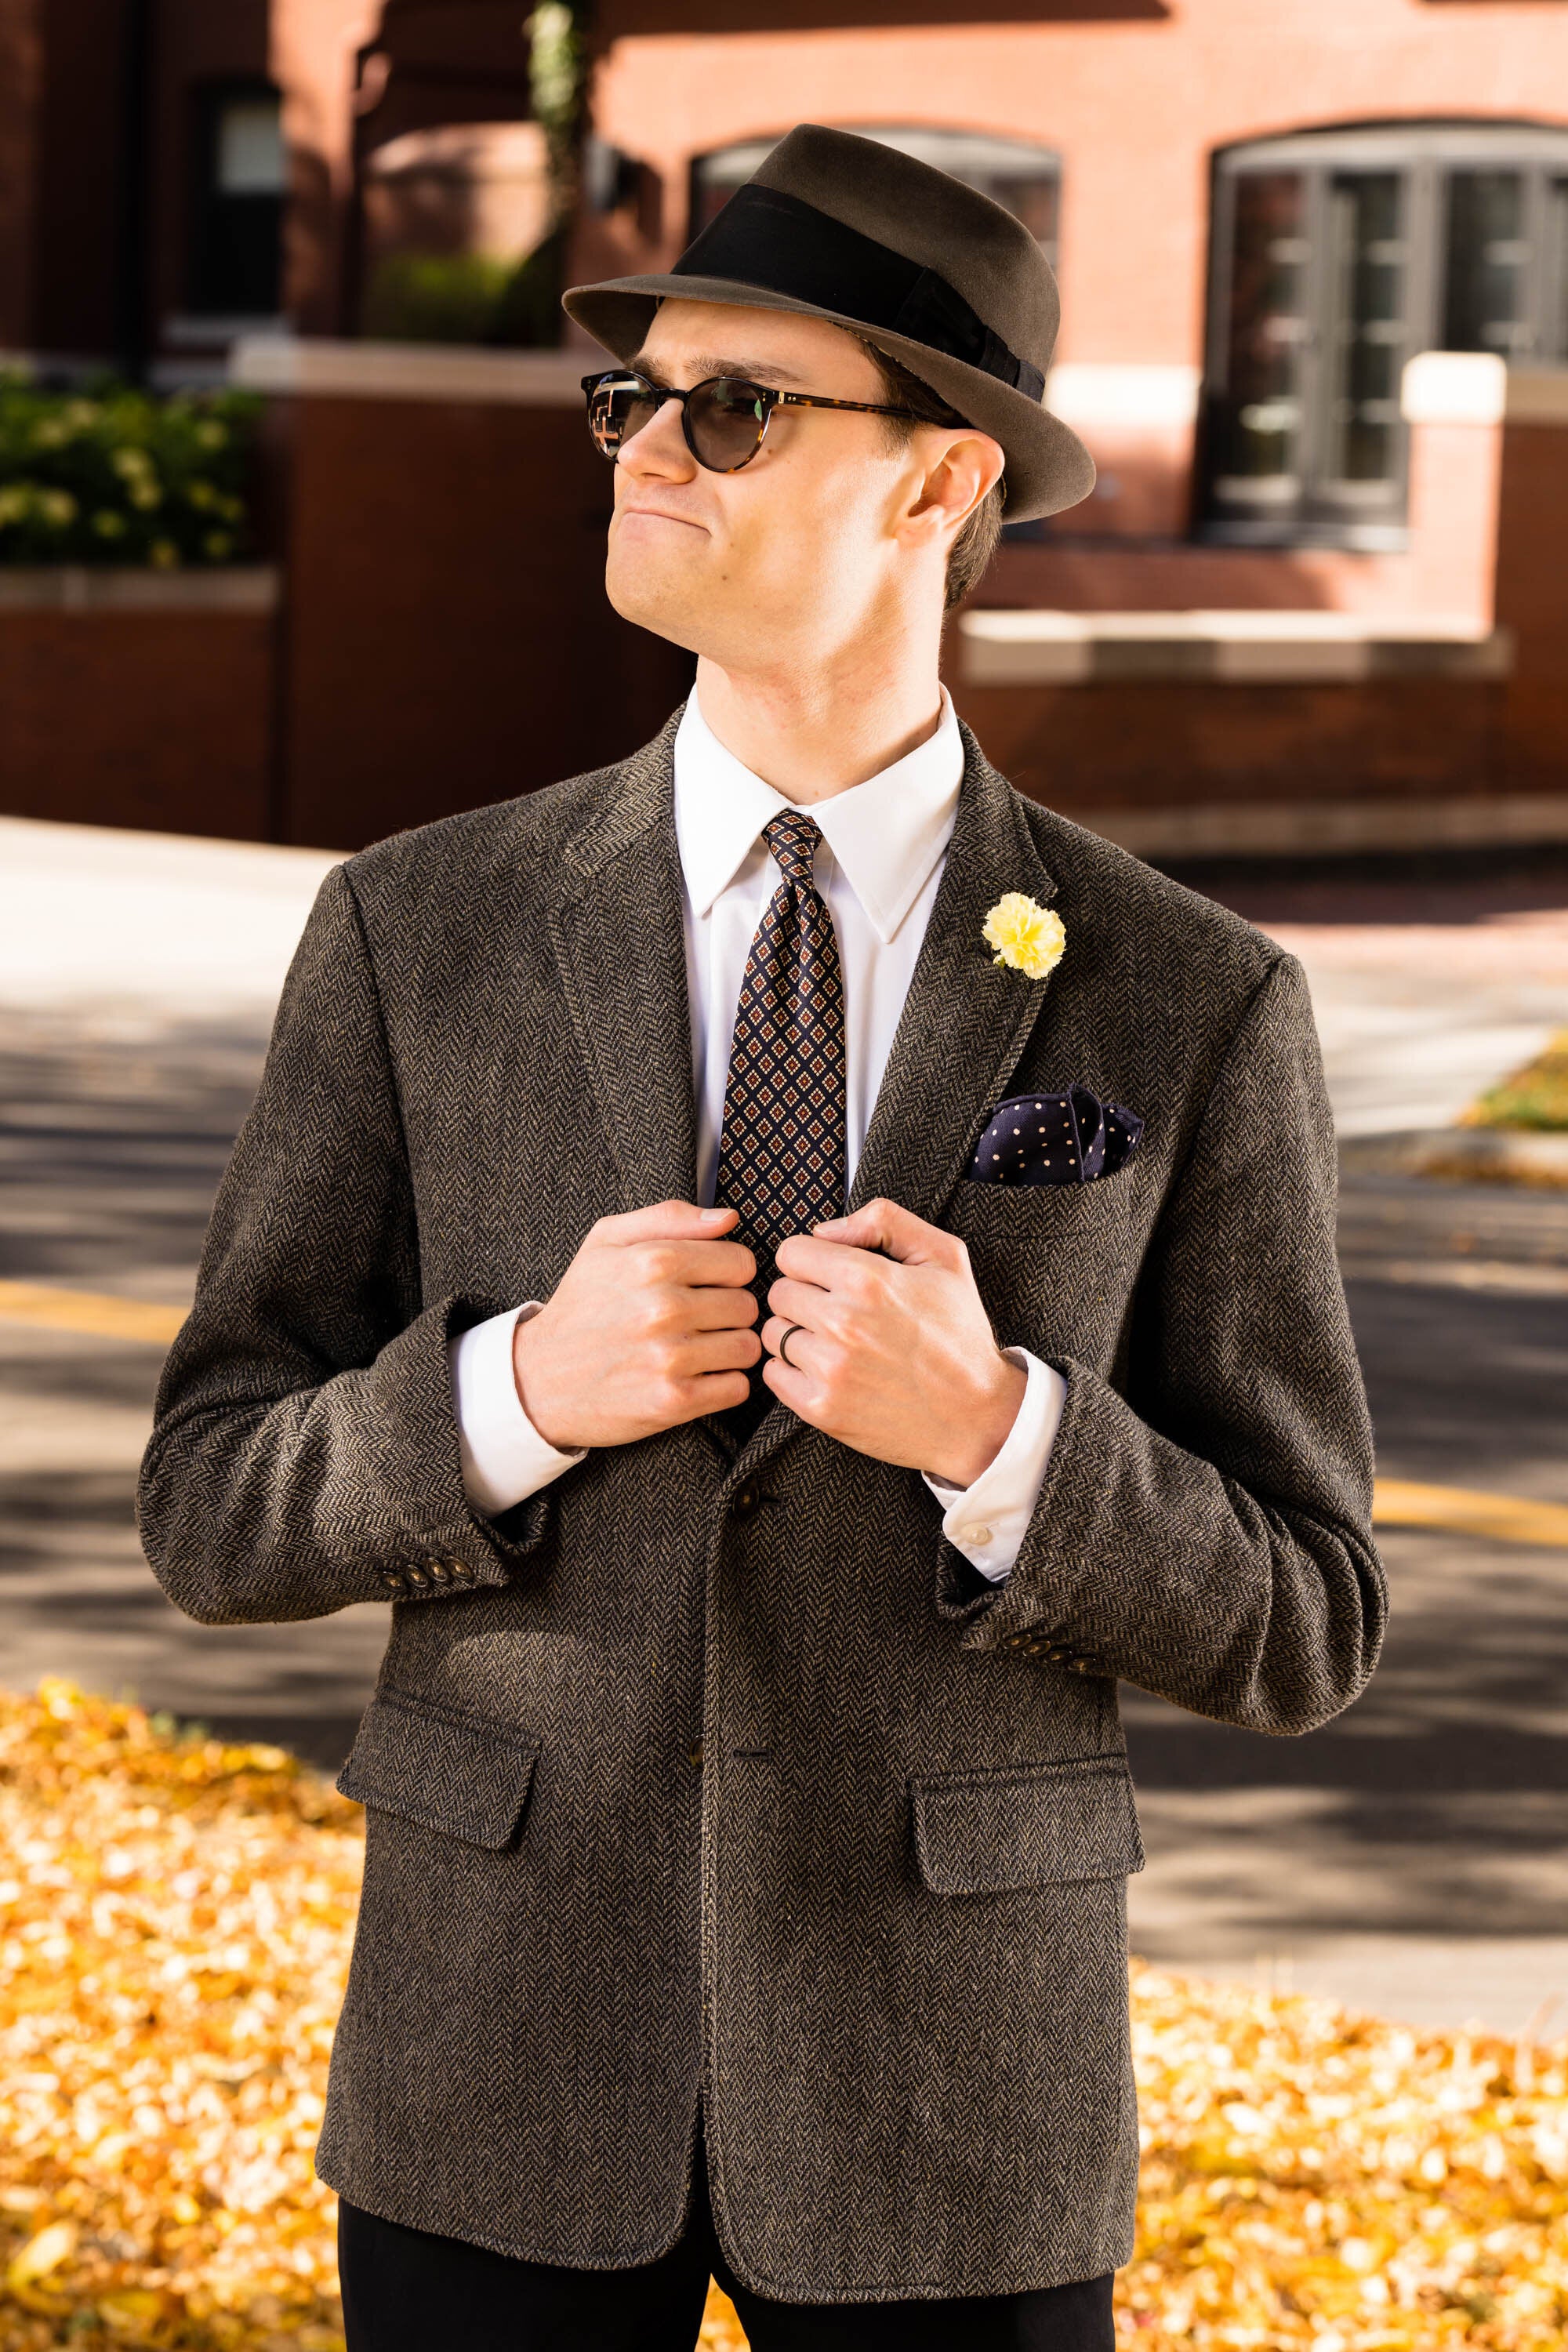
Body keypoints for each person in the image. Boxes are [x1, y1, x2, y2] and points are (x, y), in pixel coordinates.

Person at [138, 124, 1385, 2351]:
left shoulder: (1184, 997)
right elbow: (215, 1502)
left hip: (951, 2102)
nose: (646, 452)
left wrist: (1004, 1436)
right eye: (635, 399)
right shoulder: (420, 929)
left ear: (939, 480)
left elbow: (1306, 1617)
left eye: (736, 408)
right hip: (494, 2062)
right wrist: (507, 1398)